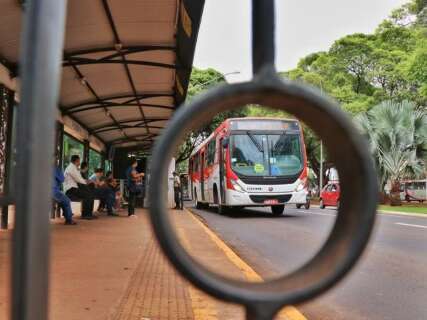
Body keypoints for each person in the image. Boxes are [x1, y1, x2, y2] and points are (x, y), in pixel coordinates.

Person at [64, 155, 96, 220]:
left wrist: (87, 182)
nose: (79, 163)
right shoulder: (71, 168)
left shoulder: (74, 168)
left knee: (90, 193)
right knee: (88, 194)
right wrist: (87, 182)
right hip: (70, 190)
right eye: (79, 161)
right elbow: (79, 180)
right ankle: (85, 214)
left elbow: (80, 179)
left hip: (74, 188)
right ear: (77, 161)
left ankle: (89, 213)